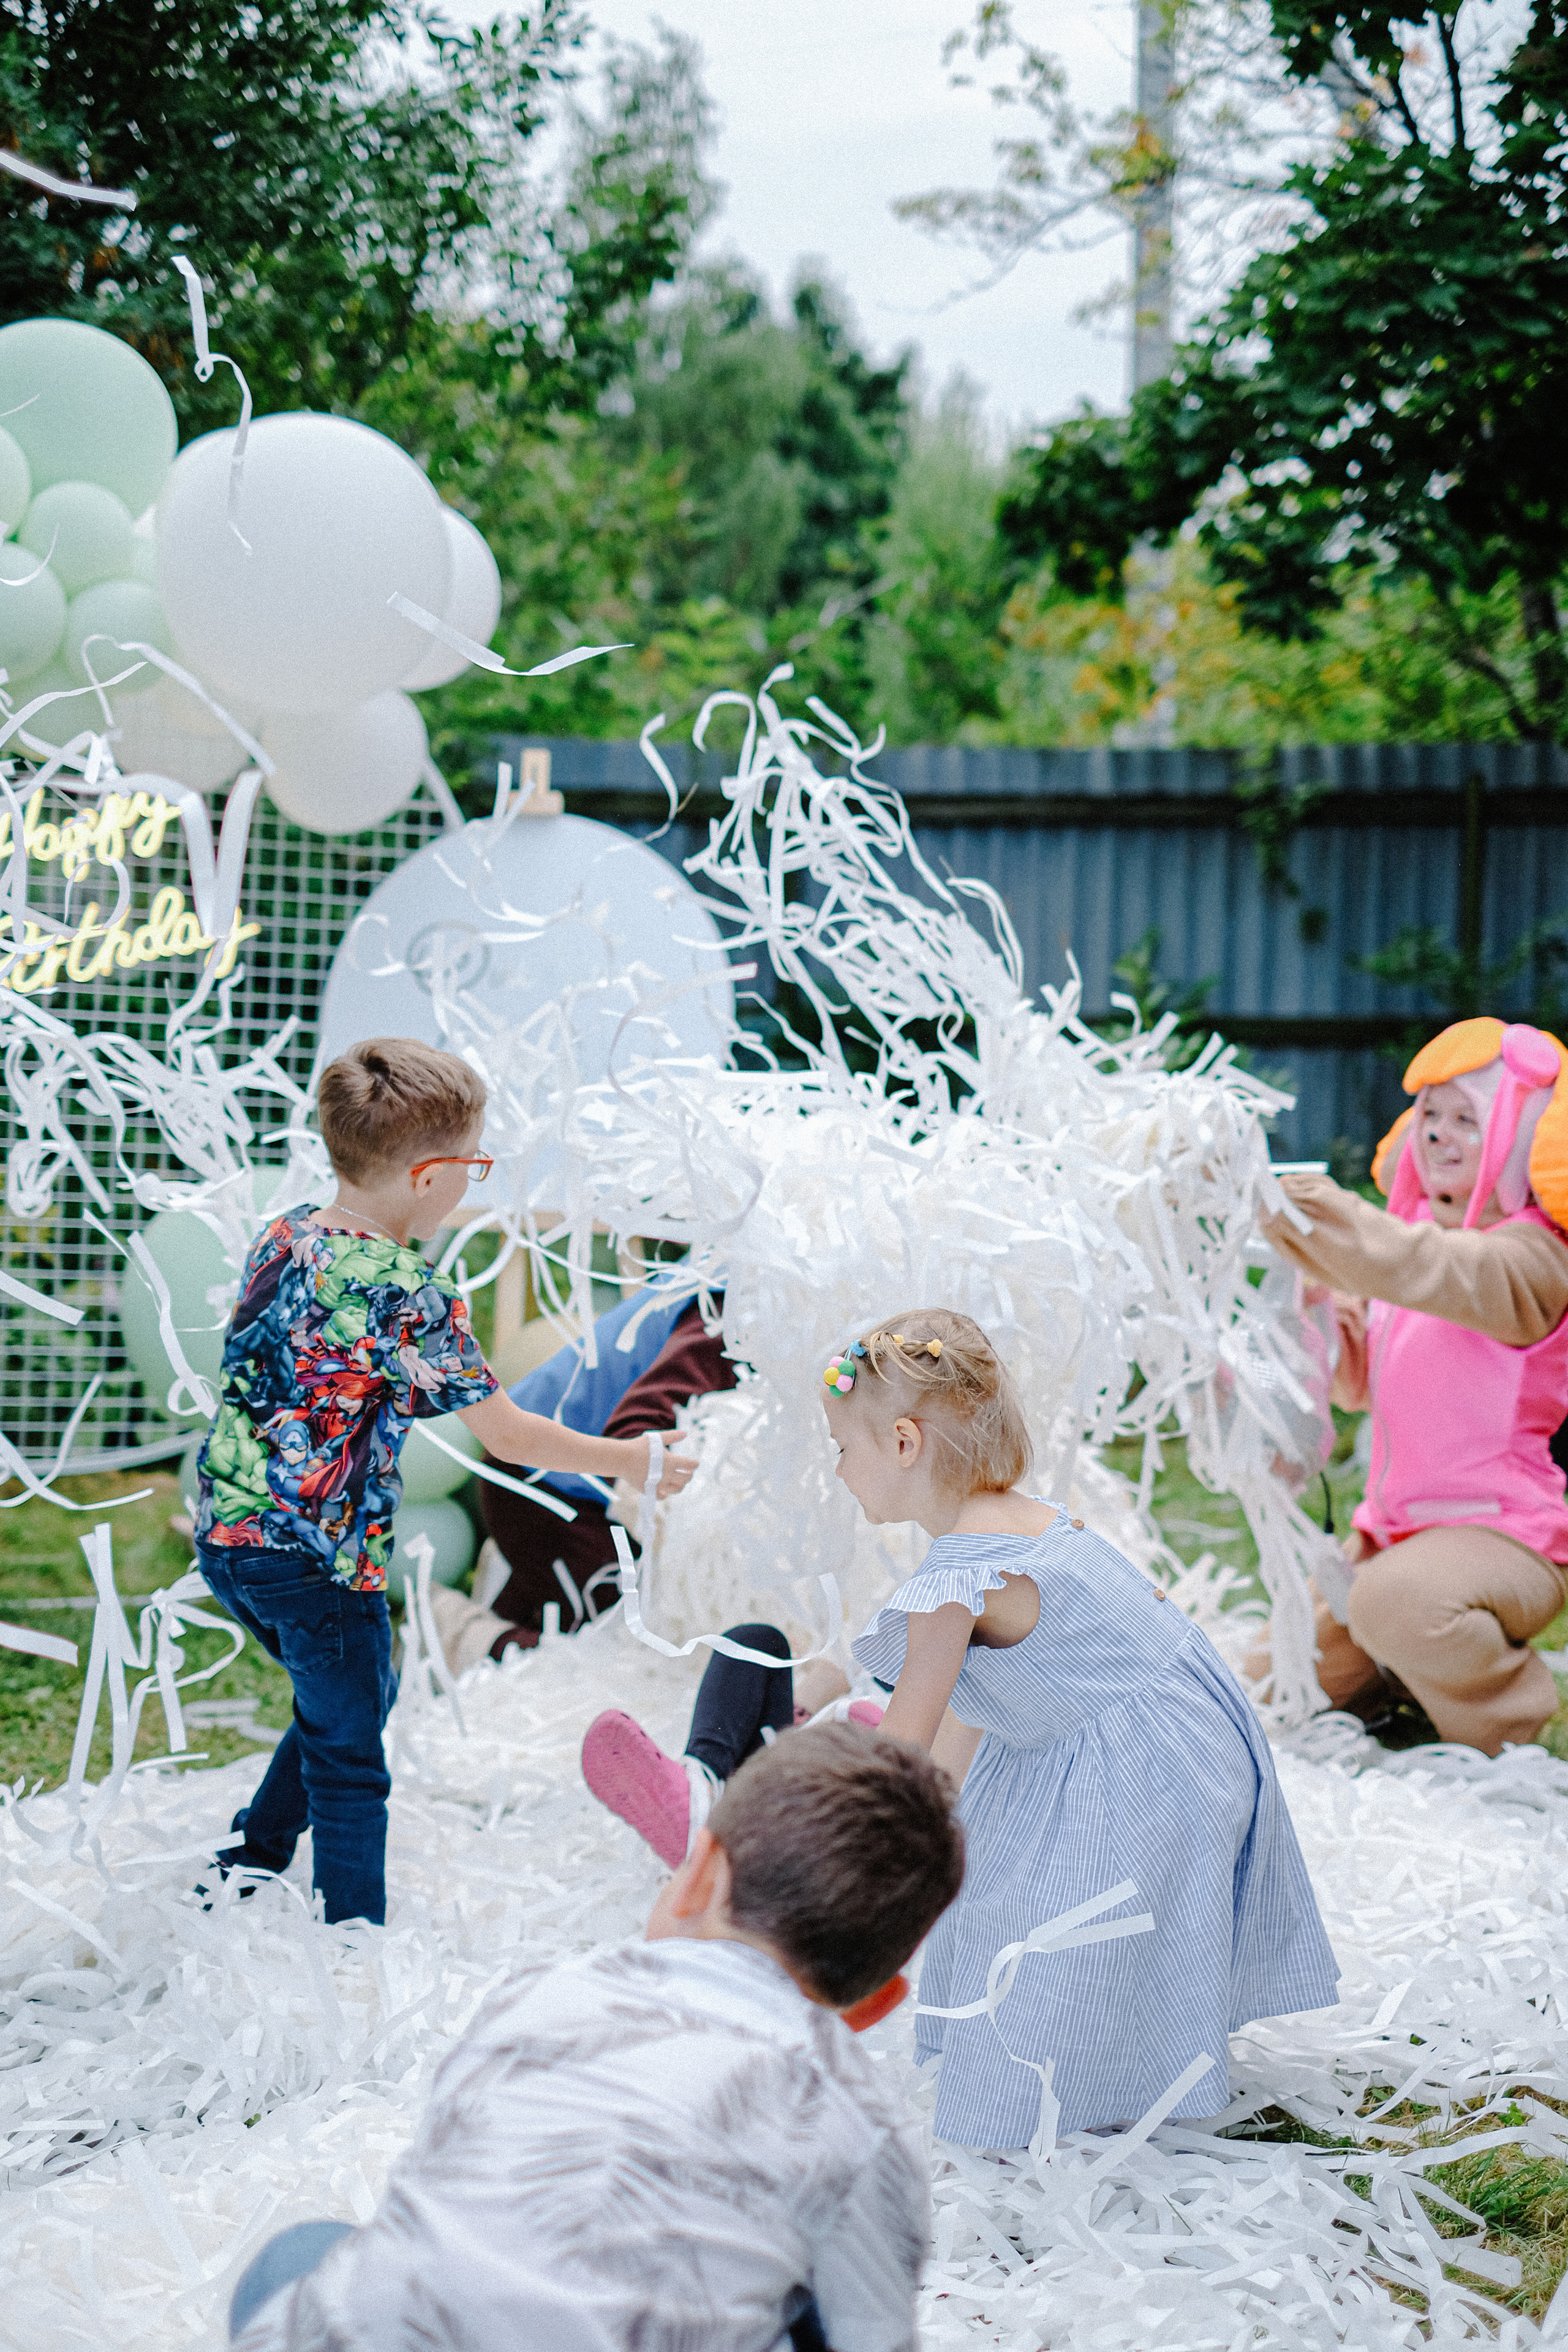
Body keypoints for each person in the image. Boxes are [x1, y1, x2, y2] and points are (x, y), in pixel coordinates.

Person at [228, 1723, 965, 2352]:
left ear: (697, 1872)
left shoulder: (540, 1994)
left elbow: (443, 2206)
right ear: (876, 2002)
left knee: (300, 2255)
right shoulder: (862, 2124)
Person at [192, 1036, 694, 1926]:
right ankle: (351, 1943)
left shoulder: (285, 1236)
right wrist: (637, 1458)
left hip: (230, 1535)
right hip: (318, 1560)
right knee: (352, 1754)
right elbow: (508, 1435)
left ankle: (249, 1856)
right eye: (476, 1164)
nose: (477, 1181)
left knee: (349, 1695)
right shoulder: (406, 1291)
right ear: (429, 1177)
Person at [823, 1310, 1339, 2147]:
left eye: (845, 1448)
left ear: (906, 1443)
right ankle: (1114, 2062)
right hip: (1178, 1735)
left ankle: (1064, 2088)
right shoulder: (1026, 1519)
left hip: (1142, 1768)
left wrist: (831, 1842)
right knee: (993, 1869)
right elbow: (971, 1707)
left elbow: (906, 1743)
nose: (840, 1470)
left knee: (1053, 1923)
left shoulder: (956, 1579)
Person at [1254, 1016, 1568, 1754]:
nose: (1437, 1133)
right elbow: (1357, 1379)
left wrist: (1309, 1210)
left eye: (1468, 1117)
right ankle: (1400, 1680)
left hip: (1506, 1535)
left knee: (1400, 1603)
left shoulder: (1532, 1257)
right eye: (1429, 1112)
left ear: (1521, 1133)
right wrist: (1314, 1311)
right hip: (1390, 1539)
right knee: (1271, 1678)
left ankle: (1506, 1730)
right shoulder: (1413, 1236)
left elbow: (1432, 1268)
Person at [469, 1280, 737, 1654]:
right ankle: (471, 1642)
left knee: (581, 1612)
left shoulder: (723, 1283)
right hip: (542, 1478)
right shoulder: (729, 1315)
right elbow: (636, 1429)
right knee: (625, 1642)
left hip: (560, 1470)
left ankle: (491, 1618)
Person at [581, 1628, 883, 1867]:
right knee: (756, 1641)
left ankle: (725, 1810)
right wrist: (796, 1721)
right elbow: (844, 1669)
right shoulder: (907, 1622)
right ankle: (701, 1789)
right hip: (801, 1752)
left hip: (873, 1772)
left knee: (863, 1721)